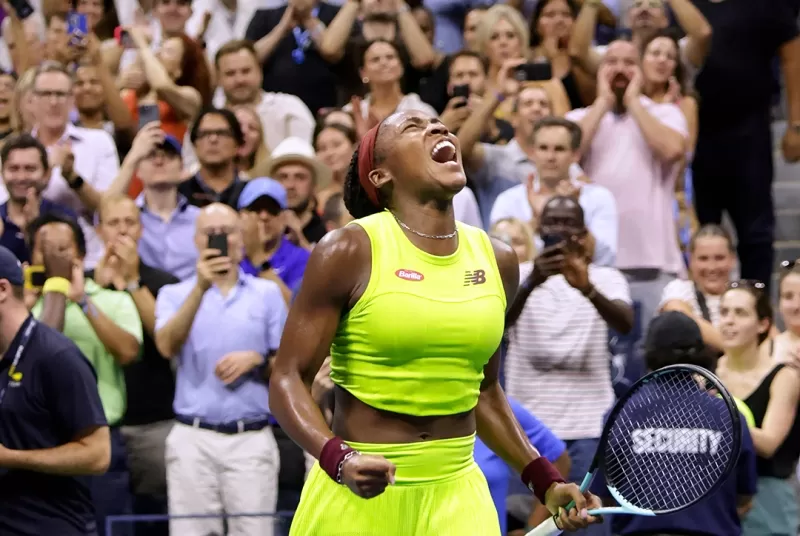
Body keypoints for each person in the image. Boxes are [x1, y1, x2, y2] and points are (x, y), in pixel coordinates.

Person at [269, 110, 602, 536]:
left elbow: (483, 389)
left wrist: (544, 480)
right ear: (380, 175)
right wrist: (339, 458)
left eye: (439, 124)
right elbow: (286, 378)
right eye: (413, 127)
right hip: (357, 497)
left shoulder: (498, 260)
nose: (439, 128)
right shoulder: (348, 249)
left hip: (459, 494)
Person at [591, 311, 758, 536]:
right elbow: (745, 496)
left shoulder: (621, 414)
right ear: (700, 353)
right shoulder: (730, 415)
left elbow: (603, 496)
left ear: (648, 354)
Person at [0, 245, 110, 535]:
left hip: (53, 526)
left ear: (2, 290)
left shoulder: (56, 356)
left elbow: (98, 454)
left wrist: (11, 457)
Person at [716, 281, 800, 535]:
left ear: (763, 324)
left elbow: (768, 443)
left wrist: (718, 410)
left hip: (770, 503)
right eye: (724, 312)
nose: (729, 321)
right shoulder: (706, 374)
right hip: (719, 498)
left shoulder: (784, 377)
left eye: (740, 313)